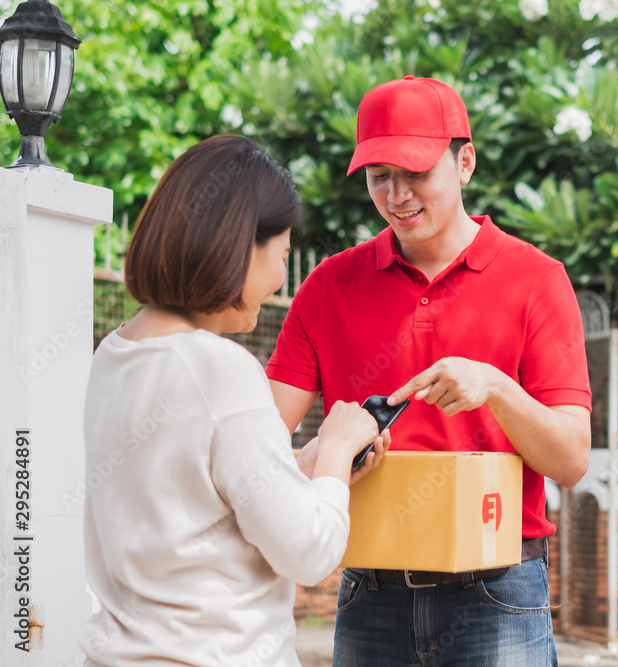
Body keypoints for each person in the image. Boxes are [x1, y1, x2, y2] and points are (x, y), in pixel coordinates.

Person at [265, 76, 592, 666]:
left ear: (464, 162)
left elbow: (571, 460)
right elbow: (256, 444)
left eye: (415, 171)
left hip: (498, 589)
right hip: (371, 589)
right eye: (379, 175)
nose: (397, 195)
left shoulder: (537, 280)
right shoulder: (329, 286)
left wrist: (495, 387)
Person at [80, 135, 389, 666]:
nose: (277, 281)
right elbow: (308, 551)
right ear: (242, 244)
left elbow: (198, 507)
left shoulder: (113, 356)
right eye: (284, 256)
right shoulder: (219, 367)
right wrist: (338, 448)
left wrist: (313, 470)